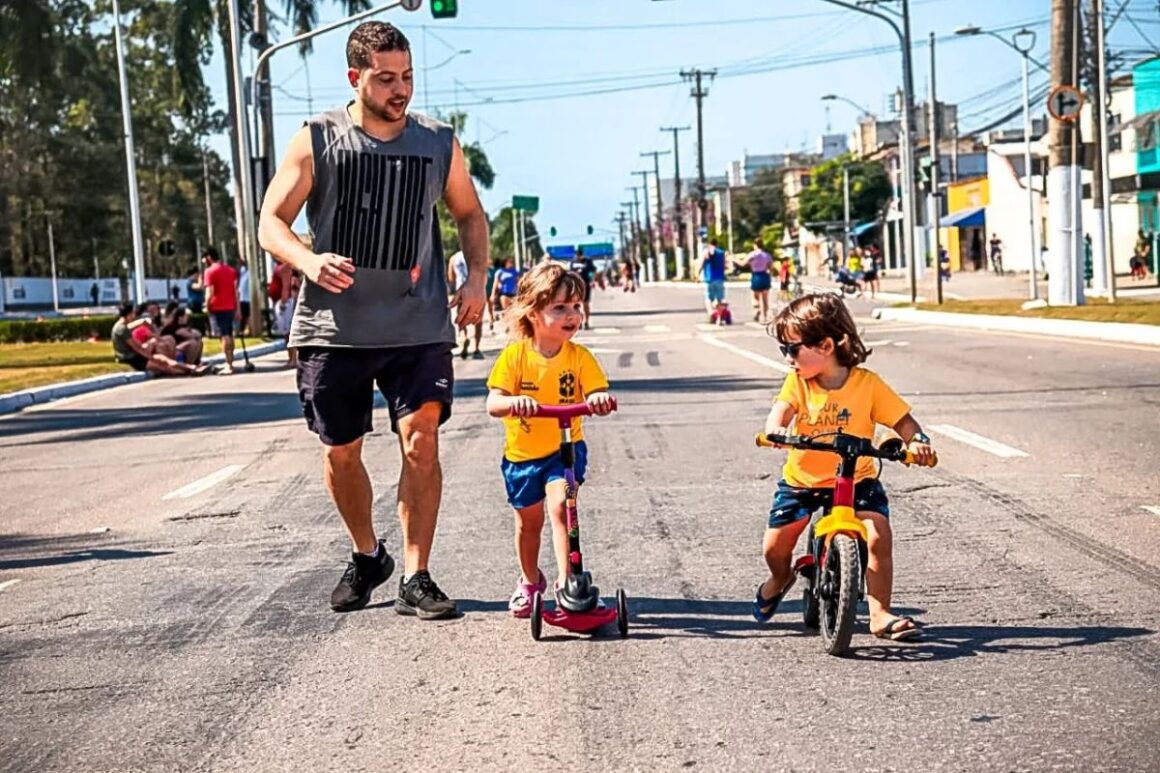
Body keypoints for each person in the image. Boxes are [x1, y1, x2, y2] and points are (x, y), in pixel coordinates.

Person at [257, 20, 488, 618]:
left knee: (422, 440)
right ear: (355, 77)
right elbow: (270, 223)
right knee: (341, 452)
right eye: (386, 78)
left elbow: (470, 214)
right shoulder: (317, 140)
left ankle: (417, 575)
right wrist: (307, 259)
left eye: (407, 76)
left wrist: (478, 279)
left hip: (419, 326)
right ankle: (368, 555)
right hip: (335, 330)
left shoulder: (439, 142)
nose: (400, 89)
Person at [755, 293, 936, 640]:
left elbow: (904, 421)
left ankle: (879, 612)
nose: (788, 358)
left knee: (878, 535)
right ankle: (780, 579)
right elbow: (781, 411)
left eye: (792, 349)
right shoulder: (799, 383)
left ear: (825, 345)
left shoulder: (867, 385)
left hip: (857, 479)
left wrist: (918, 441)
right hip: (803, 480)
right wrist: (775, 430)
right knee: (774, 547)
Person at [484, 262, 614, 615]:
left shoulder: (580, 357)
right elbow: (493, 403)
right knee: (529, 524)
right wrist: (514, 402)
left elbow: (597, 390)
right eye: (560, 308)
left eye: (576, 307)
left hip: (565, 450)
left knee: (562, 508)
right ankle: (529, 580)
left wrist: (598, 400)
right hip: (522, 457)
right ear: (534, 313)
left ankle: (568, 583)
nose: (572, 315)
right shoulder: (515, 357)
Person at [111, 302, 207, 376]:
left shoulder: (121, 326)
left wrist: (143, 321)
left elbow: (134, 325)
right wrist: (151, 357)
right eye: (132, 314)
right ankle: (190, 371)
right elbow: (137, 348)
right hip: (132, 359)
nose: (133, 317)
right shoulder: (122, 329)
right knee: (166, 367)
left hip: (135, 356)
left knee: (166, 360)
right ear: (128, 314)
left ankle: (192, 367)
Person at [202, 247, 240, 375]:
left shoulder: (209, 272)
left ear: (208, 257)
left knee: (223, 336)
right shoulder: (230, 270)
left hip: (217, 307)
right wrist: (237, 308)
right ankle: (231, 362)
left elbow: (210, 292)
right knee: (229, 334)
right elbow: (236, 291)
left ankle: (228, 365)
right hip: (230, 306)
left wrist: (206, 306)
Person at [447, 250, 483, 359]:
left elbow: (451, 278)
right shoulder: (477, 255)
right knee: (478, 319)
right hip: (476, 290)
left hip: (461, 291)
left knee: (461, 317)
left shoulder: (453, 258)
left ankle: (464, 336)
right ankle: (476, 349)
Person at [743, 239, 774, 322]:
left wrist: (733, 259)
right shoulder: (767, 255)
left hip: (756, 276)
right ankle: (763, 316)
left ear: (755, 245)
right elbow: (771, 268)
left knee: (755, 298)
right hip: (765, 276)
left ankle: (760, 310)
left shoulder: (753, 254)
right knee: (765, 298)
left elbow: (742, 263)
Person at [696, 239, 727, 319]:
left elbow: (701, 264)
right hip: (720, 278)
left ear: (710, 244)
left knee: (708, 298)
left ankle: (711, 313)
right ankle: (720, 317)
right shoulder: (721, 253)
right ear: (716, 244)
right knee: (720, 299)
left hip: (709, 279)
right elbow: (724, 266)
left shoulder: (706, 252)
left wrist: (697, 275)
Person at [568, 246, 598, 330]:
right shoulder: (573, 262)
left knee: (585, 304)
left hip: (586, 285)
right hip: (576, 286)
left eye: (580, 255)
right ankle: (579, 322)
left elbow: (594, 270)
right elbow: (570, 273)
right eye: (577, 255)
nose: (578, 256)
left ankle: (586, 322)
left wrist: (592, 280)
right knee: (576, 305)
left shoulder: (587, 261)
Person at [236, 257, 252, 336]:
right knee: (244, 315)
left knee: (246, 315)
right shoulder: (242, 272)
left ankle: (248, 329)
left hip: (247, 298)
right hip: (242, 298)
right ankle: (242, 330)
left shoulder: (249, 273)